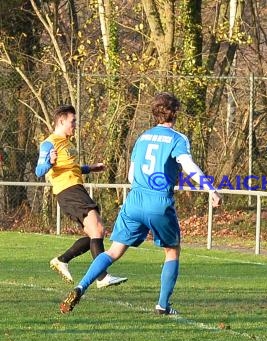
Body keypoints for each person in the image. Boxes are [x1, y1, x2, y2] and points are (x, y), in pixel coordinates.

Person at [60, 92, 222, 315]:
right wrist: (210, 189)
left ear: (155, 113)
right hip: (158, 202)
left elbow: (131, 175)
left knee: (114, 251)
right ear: (174, 113)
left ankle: (81, 287)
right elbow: (188, 165)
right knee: (172, 251)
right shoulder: (177, 139)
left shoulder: (143, 137)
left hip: (134, 200)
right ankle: (163, 306)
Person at [35, 104, 127, 288]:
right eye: (73, 121)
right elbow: (39, 170)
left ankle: (63, 260)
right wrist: (50, 162)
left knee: (95, 233)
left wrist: (90, 168)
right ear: (61, 121)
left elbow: (71, 167)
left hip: (76, 189)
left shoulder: (68, 144)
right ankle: (101, 277)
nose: (75, 124)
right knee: (98, 229)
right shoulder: (49, 143)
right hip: (68, 190)